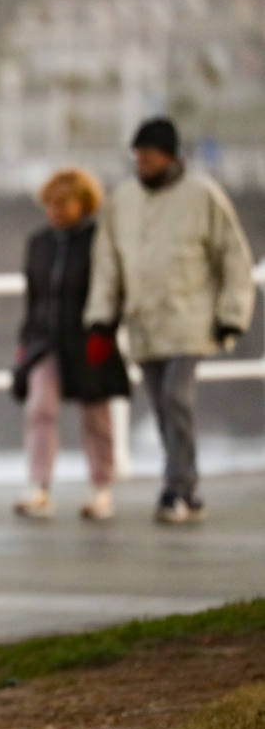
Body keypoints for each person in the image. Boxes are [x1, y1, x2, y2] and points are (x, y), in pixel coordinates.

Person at [84, 117, 256, 524]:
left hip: (189, 322)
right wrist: (101, 319)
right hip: (143, 325)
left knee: (177, 398)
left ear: (170, 155)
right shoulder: (123, 199)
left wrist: (231, 315)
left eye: (149, 153)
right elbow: (108, 264)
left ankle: (180, 487)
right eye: (138, 154)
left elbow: (233, 256)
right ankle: (183, 489)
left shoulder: (203, 195)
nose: (141, 161)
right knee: (163, 407)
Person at [12, 168, 130, 521]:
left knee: (96, 415)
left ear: (84, 203)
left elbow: (113, 288)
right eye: (49, 204)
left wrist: (104, 331)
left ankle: (101, 489)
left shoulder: (100, 240)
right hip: (45, 341)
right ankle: (39, 487)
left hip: (89, 338)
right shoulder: (39, 243)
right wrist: (26, 341)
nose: (54, 211)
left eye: (63, 204)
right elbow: (34, 298)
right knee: (40, 409)